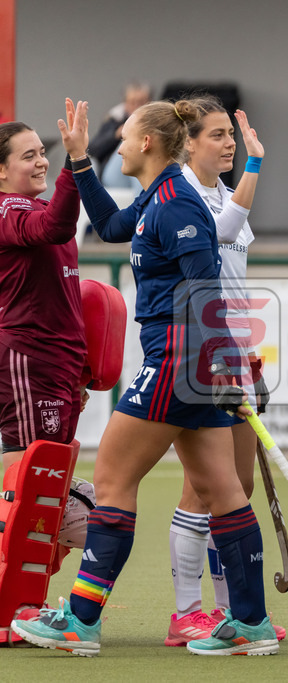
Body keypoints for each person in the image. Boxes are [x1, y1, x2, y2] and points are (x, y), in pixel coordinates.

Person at [12, 98, 278, 657]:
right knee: (223, 489)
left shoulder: (175, 205)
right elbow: (109, 226)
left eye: (127, 137)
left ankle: (80, 622)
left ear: (149, 144)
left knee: (111, 482)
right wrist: (80, 162)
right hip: (196, 365)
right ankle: (250, 623)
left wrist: (219, 364)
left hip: (179, 362)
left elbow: (203, 290)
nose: (123, 144)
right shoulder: (158, 197)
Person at [164, 97, 282, 646]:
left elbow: (234, 230)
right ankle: (186, 613)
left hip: (238, 351)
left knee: (239, 490)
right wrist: (254, 169)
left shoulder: (217, 192)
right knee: (204, 491)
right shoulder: (182, 196)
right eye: (217, 135)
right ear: (188, 143)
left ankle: (230, 611)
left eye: (229, 135)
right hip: (202, 353)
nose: (228, 143)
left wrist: (252, 164)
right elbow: (221, 232)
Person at [0, 116, 87, 632]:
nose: (40, 160)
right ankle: (16, 611)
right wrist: (78, 165)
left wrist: (79, 367)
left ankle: (22, 608)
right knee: (30, 489)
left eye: (42, 152)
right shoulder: (9, 209)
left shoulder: (36, 206)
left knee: (36, 491)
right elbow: (53, 226)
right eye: (28, 155)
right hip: (29, 363)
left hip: (56, 367)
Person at [90, 81, 151, 192]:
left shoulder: (156, 122)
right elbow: (92, 149)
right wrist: (116, 135)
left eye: (141, 102)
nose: (137, 106)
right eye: (133, 102)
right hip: (112, 175)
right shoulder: (115, 120)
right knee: (135, 143)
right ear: (125, 103)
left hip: (141, 175)